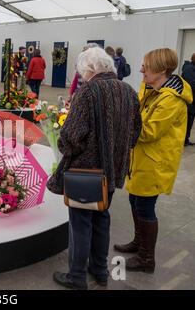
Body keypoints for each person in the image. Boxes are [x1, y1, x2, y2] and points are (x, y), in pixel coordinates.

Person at [47, 47, 142, 290]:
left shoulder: (88, 91)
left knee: (80, 223)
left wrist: (66, 148)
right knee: (102, 218)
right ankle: (100, 271)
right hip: (113, 170)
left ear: (90, 69)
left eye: (81, 72)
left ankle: (77, 277)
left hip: (86, 173)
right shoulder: (129, 91)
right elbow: (135, 133)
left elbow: (70, 136)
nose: (81, 76)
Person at [115, 49, 193, 274]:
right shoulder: (153, 90)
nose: (140, 70)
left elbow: (148, 131)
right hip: (141, 159)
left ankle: (147, 258)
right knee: (134, 200)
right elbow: (137, 114)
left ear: (160, 70)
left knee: (145, 207)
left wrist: (119, 124)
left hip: (155, 162)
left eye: (145, 67)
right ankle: (139, 243)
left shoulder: (172, 100)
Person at [181, 53, 195, 146]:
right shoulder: (189, 69)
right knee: (187, 120)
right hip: (189, 100)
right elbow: (191, 84)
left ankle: (186, 139)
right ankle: (183, 139)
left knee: (190, 120)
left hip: (192, 100)